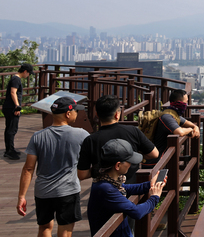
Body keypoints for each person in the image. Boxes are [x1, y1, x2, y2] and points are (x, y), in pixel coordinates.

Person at [17, 96, 89, 237]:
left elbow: (28, 168)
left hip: (43, 192)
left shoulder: (38, 136)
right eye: (76, 111)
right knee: (65, 231)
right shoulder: (81, 134)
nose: (77, 114)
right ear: (68, 114)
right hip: (68, 191)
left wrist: (21, 196)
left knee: (44, 228)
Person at [87, 139, 166, 237]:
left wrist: (150, 184)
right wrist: (154, 197)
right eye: (129, 161)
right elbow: (137, 212)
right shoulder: (105, 188)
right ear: (118, 165)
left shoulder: (105, 180)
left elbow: (127, 188)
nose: (131, 164)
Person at [77, 95, 159, 182]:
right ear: (117, 114)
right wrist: (134, 155)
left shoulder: (90, 140)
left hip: (103, 190)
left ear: (97, 114)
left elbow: (82, 174)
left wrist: (99, 170)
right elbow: (154, 154)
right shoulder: (133, 131)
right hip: (131, 188)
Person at [147, 89, 199, 164]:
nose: (186, 105)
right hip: (155, 162)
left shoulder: (173, 114)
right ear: (179, 103)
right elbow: (179, 132)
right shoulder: (167, 117)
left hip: (161, 158)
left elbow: (187, 123)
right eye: (186, 102)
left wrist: (195, 127)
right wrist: (190, 130)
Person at [4, 62, 33, 160]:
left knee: (10, 129)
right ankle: (9, 151)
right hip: (12, 108)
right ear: (25, 71)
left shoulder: (15, 78)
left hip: (9, 107)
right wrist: (17, 106)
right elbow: (13, 92)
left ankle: (10, 149)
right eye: (29, 73)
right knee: (12, 130)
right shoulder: (16, 79)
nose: (28, 75)